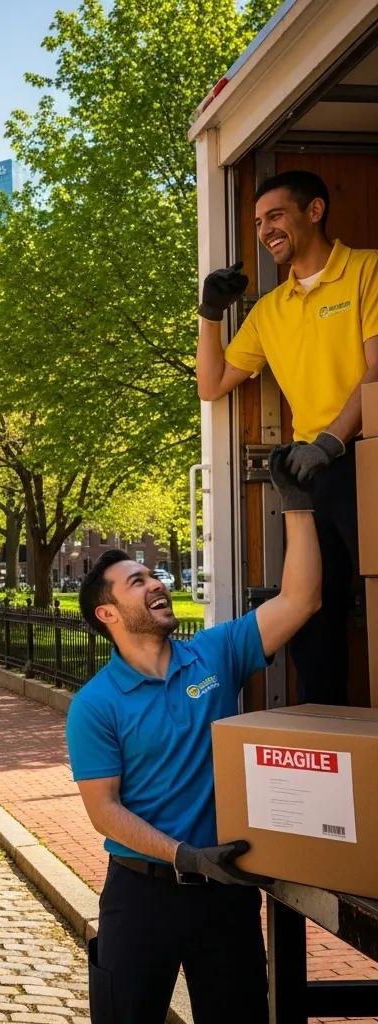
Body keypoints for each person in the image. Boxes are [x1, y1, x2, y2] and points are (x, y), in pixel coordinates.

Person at [64, 449, 321, 1024]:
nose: (156, 583)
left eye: (153, 574)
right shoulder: (94, 706)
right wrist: (184, 855)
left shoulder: (215, 652)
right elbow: (103, 811)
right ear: (107, 615)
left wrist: (297, 504)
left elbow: (301, 600)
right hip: (140, 895)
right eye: (138, 581)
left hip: (225, 895)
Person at [196, 169, 378, 704]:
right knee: (310, 613)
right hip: (311, 473)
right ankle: (332, 735)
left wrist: (332, 441)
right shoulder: (270, 309)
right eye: (258, 222)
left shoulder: (367, 270)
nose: (265, 230)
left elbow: (375, 372)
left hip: (362, 456)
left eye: (276, 215)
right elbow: (212, 386)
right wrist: (210, 315)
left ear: (315, 210)